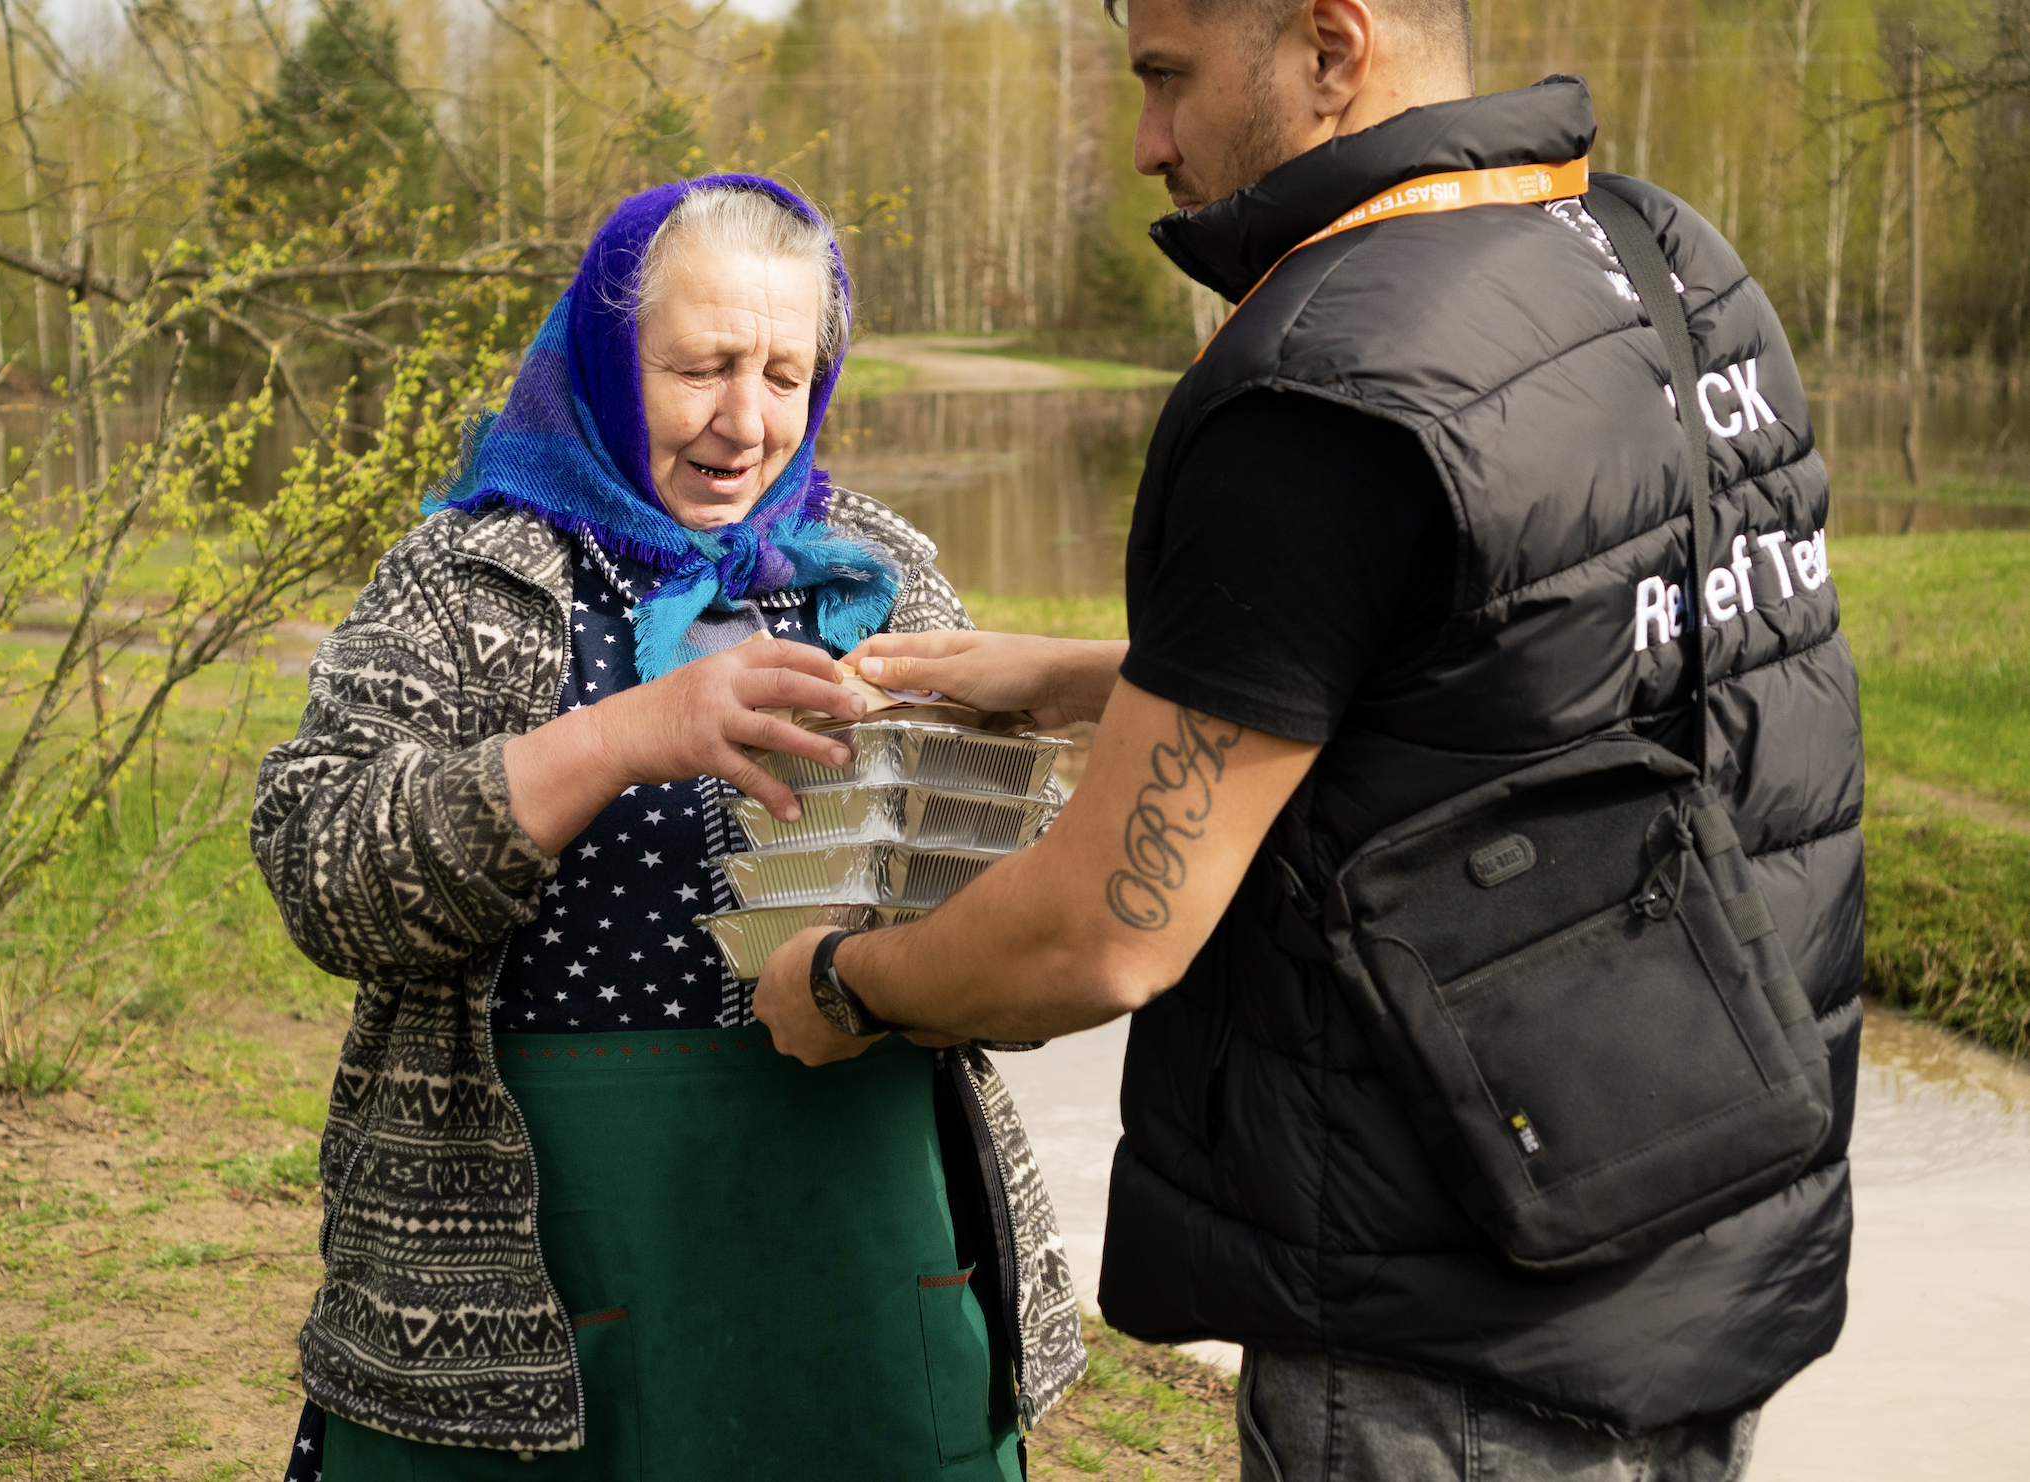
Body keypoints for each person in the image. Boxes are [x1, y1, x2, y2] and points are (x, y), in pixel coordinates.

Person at [753, 2, 1860, 1479]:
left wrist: (843, 984)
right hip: (1700, 1233)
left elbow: (1102, 930)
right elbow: (1520, 664)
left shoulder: (1318, 375)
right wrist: (1113, 681)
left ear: (1331, 50)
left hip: (1451, 1328)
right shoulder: (1667, 261)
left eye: (1165, 82)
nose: (1146, 144)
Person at [253, 175, 1083, 1481]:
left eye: (783, 374)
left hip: (862, 1242)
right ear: (602, 353)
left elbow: (1023, 909)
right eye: (697, 367)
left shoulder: (878, 573)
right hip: (535, 1273)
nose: (743, 422)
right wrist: (624, 736)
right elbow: (323, 876)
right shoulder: (468, 572)